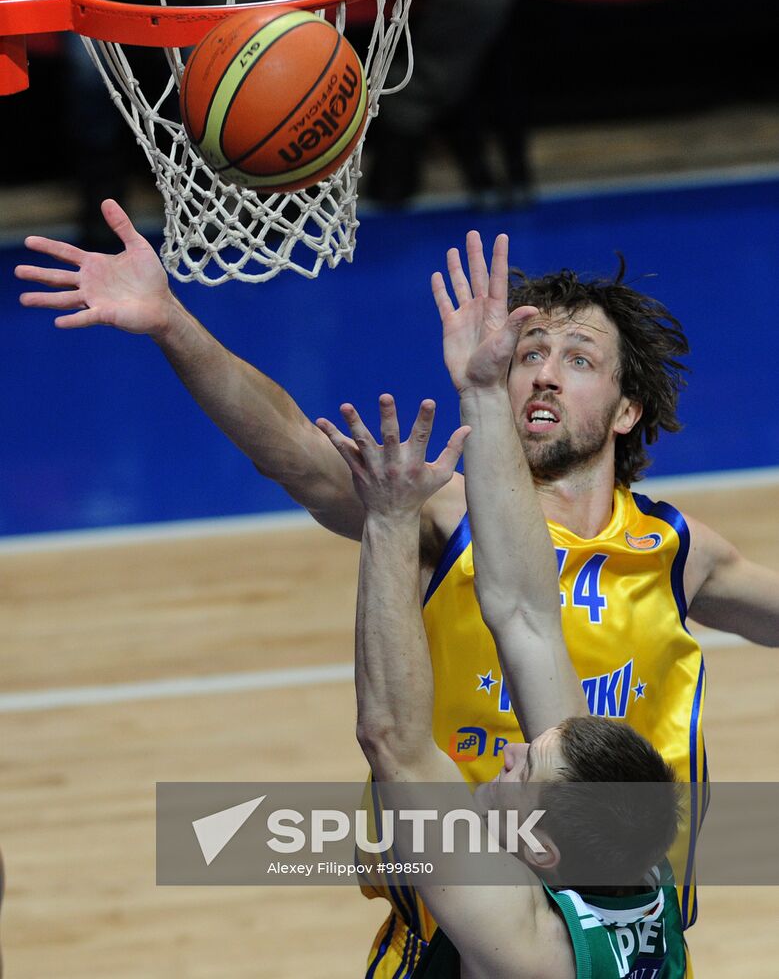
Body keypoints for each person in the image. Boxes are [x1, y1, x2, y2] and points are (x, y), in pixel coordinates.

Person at [14, 204, 779, 977]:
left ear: (626, 409)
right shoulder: (438, 511)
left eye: (577, 358)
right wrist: (174, 323)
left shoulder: (675, 548)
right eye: (527, 352)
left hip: (615, 913)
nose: (543, 371)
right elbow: (294, 454)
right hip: (465, 920)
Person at [316, 365, 684, 976]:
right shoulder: (636, 865)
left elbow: (394, 743)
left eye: (525, 769)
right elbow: (528, 621)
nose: (510, 751)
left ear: (540, 848)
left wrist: (390, 519)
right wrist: (484, 394)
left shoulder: (525, 946)